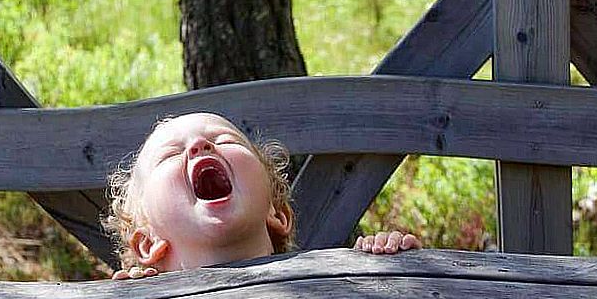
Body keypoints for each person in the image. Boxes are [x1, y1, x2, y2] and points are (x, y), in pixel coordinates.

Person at [103, 112, 420, 280]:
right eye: (171, 155)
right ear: (148, 243)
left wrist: (387, 267)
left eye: (225, 140)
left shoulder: (330, 283)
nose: (200, 144)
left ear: (277, 213)